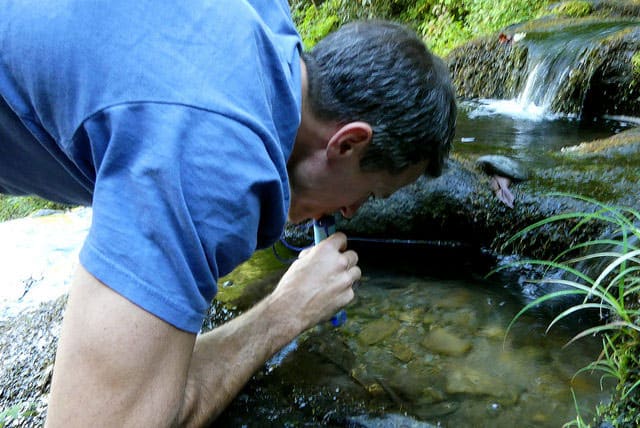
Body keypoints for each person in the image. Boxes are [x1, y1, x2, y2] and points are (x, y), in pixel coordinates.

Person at [0, 0, 456, 426]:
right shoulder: (215, 158)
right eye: (370, 194)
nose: (351, 212)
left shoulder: (263, 25)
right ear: (348, 143)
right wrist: (285, 312)